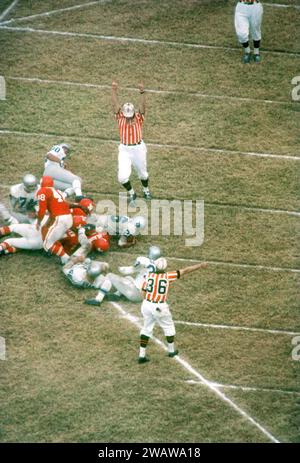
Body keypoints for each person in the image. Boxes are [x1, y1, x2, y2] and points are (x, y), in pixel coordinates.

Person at [138, 258, 208, 364]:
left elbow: (143, 291)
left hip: (146, 304)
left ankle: (141, 355)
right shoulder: (168, 276)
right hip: (159, 306)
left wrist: (146, 302)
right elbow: (185, 270)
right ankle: (171, 351)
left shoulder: (148, 276)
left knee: (146, 329)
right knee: (168, 327)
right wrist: (200, 265)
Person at [112, 81, 152, 205]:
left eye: (130, 116)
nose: (129, 118)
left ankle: (146, 190)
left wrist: (142, 92)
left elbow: (143, 106)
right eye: (127, 116)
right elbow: (115, 105)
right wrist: (114, 91)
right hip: (124, 149)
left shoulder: (139, 117)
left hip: (138, 148)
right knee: (122, 177)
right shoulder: (120, 118)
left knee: (143, 174)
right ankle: (132, 193)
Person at [85, 245, 162, 306]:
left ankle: (98, 299)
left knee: (109, 275)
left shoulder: (143, 261)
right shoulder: (157, 267)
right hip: (144, 296)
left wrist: (122, 269)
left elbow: (130, 270)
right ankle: (117, 295)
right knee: (129, 278)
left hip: (134, 293)